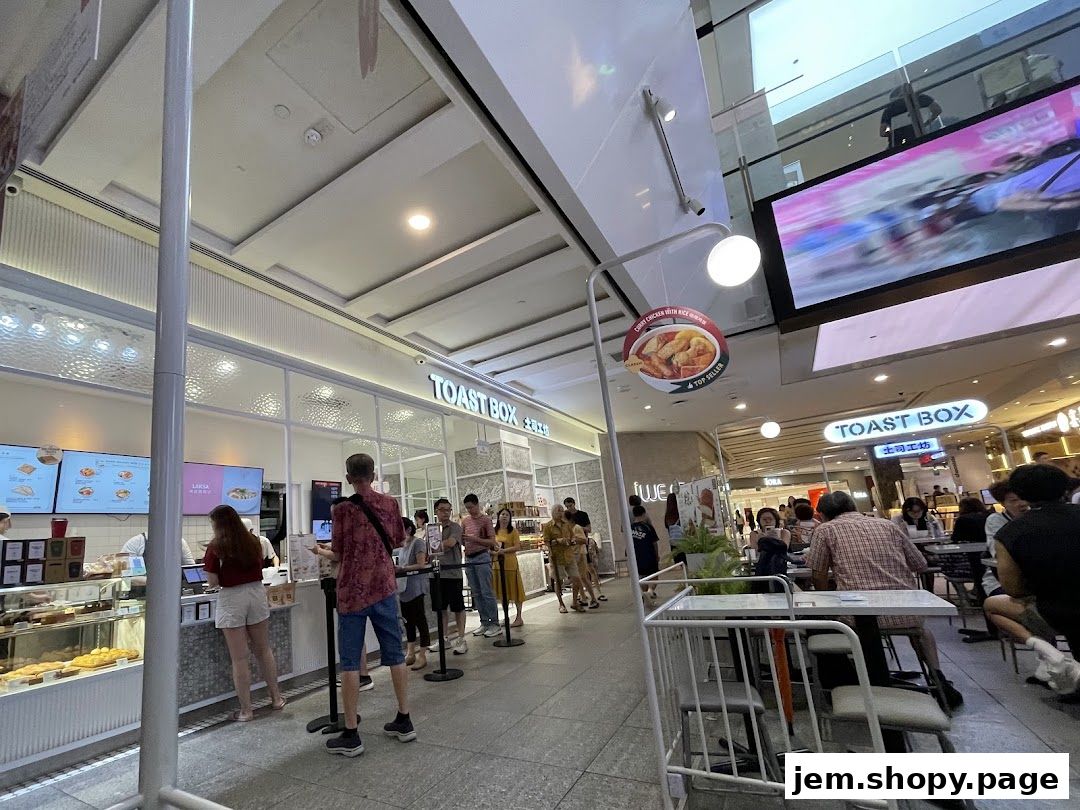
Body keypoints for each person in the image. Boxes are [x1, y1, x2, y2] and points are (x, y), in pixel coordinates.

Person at [806, 491, 963, 709]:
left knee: (819, 624)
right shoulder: (887, 525)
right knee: (920, 632)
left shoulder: (825, 530)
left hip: (859, 618)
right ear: (853, 506)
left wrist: (826, 600)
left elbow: (818, 574)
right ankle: (938, 679)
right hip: (906, 611)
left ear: (821, 514)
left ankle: (853, 686)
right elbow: (920, 564)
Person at [309, 453, 414, 756]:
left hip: (353, 591)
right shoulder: (391, 503)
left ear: (348, 476)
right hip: (383, 586)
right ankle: (404, 719)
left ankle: (352, 733)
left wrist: (324, 550)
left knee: (351, 661)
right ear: (373, 473)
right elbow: (396, 539)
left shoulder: (341, 508)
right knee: (394, 653)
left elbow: (339, 552)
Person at [203, 504, 284, 722]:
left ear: (218, 525)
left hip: (231, 598)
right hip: (257, 594)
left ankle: (247, 710)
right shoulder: (255, 542)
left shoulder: (215, 547)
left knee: (240, 658)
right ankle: (276, 698)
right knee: (264, 649)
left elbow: (212, 582)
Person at [996, 464, 1080, 655]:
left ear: (1021, 493)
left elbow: (1013, 588)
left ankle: (1048, 653)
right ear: (1064, 487)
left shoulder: (1009, 533)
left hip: (1054, 612)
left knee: (992, 606)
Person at [981, 481, 1056, 666]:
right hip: (1002, 581)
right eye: (1013, 500)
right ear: (1003, 503)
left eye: (1023, 499)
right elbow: (997, 553)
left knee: (1039, 607)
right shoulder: (996, 521)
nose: (1021, 504)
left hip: (1043, 584)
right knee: (999, 605)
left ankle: (1050, 658)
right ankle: (1046, 653)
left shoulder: (1038, 520)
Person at [430, 497, 468, 654]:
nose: (446, 513)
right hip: (436, 574)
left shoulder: (455, 527)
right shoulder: (431, 528)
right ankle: (443, 638)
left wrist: (434, 545)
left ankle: (461, 638)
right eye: (442, 510)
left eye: (448, 509)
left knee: (458, 607)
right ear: (436, 511)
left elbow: (452, 542)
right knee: (440, 608)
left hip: (453, 574)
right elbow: (429, 548)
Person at [461, 494, 502, 639]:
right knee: (476, 592)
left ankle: (495, 623)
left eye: (471, 507)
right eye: (467, 508)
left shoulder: (485, 520)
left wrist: (475, 539)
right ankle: (484, 622)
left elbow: (492, 542)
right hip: (469, 558)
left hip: (482, 557)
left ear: (477, 504)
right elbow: (462, 540)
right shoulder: (465, 521)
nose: (469, 510)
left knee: (486, 591)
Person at [398, 517, 430, 671]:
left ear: (408, 529)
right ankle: (410, 652)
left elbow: (421, 564)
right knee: (407, 622)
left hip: (416, 588)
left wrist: (403, 569)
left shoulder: (418, 543)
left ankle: (422, 654)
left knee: (419, 620)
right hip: (404, 589)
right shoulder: (403, 545)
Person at [543, 504, 588, 613]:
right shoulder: (548, 527)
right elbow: (547, 542)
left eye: (562, 511)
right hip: (556, 557)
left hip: (569, 555)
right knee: (558, 581)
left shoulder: (567, 524)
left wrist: (572, 540)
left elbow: (572, 536)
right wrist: (558, 541)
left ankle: (574, 602)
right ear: (553, 512)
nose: (561, 513)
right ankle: (561, 604)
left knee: (576, 579)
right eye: (559, 511)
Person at [493, 508, 526, 627]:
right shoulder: (494, 531)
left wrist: (503, 551)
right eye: (502, 514)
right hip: (497, 565)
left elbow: (517, 546)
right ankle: (506, 616)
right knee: (503, 593)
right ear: (498, 516)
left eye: (507, 515)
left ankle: (519, 617)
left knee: (516, 591)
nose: (504, 517)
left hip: (510, 565)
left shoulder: (513, 531)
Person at [564, 497, 599, 607]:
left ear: (574, 504)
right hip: (574, 554)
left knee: (587, 573)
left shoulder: (580, 519)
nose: (569, 508)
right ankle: (583, 597)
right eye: (567, 506)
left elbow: (587, 532)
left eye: (570, 506)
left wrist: (574, 538)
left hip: (581, 551)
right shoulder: (568, 527)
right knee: (578, 577)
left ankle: (595, 595)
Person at [631, 505, 661, 603]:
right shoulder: (648, 527)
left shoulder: (630, 528)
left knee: (642, 577)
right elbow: (654, 542)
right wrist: (657, 555)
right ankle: (650, 590)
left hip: (636, 557)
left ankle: (645, 593)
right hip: (649, 555)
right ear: (644, 514)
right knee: (655, 575)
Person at [122, 531, 195, 566]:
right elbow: (126, 573)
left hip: (172, 590)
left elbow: (190, 568)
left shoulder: (179, 542)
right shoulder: (135, 543)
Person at [665, 493, 685, 567]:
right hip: (684, 544)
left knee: (682, 566)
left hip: (674, 545)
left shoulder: (668, 516)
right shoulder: (681, 514)